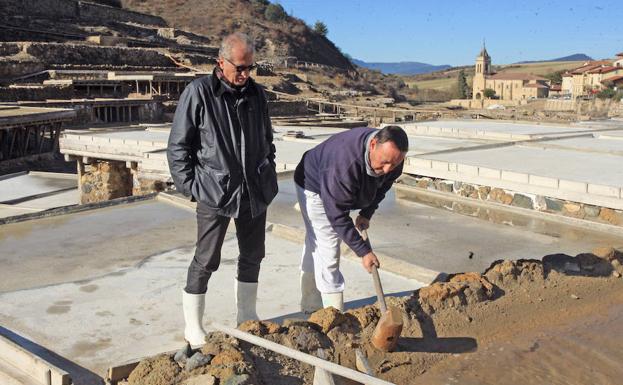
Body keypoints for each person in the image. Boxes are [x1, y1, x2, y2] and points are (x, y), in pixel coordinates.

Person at [167, 32, 277, 346]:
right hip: (214, 192)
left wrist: (266, 170)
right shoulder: (199, 93)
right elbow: (178, 147)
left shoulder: (257, 94)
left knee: (253, 254)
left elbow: (267, 141)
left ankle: (246, 316)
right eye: (239, 68)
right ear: (221, 62)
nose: (244, 74)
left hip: (254, 191)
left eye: (249, 68)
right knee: (206, 258)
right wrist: (193, 188)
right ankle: (193, 327)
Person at [294, 125, 408, 312]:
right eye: (385, 162)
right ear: (372, 144)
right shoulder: (344, 164)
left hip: (334, 185)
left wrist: (366, 213)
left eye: (394, 164)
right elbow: (337, 215)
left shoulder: (394, 158)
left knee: (316, 241)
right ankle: (332, 314)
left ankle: (310, 302)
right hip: (313, 185)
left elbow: (382, 188)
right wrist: (363, 252)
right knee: (328, 246)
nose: (388, 169)